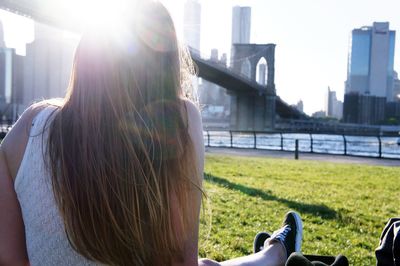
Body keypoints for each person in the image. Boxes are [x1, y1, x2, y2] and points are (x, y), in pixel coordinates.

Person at [0, 1, 302, 265]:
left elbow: (10, 259)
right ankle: (275, 252)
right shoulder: (179, 119)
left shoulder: (29, 126)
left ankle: (273, 250)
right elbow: (181, 263)